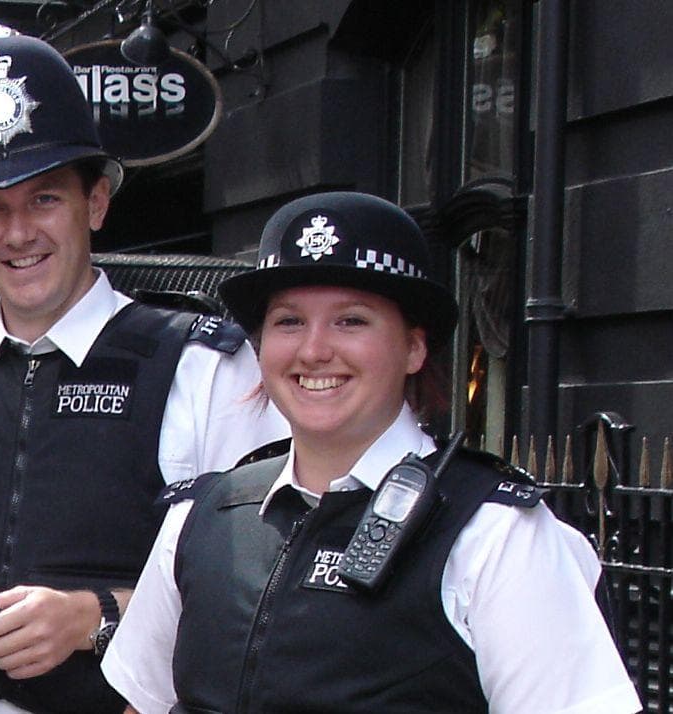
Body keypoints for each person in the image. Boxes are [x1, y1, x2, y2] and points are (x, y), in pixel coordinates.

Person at [0, 27, 288, 714]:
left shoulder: (205, 372)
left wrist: (93, 617)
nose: (18, 233)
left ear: (96, 202)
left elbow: (260, 595)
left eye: (45, 198)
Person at [101, 192, 642, 713]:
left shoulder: (497, 538)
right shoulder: (202, 517)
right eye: (288, 321)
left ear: (413, 346)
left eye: (351, 320)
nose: (314, 350)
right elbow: (145, 703)